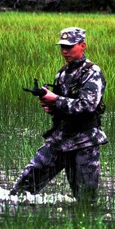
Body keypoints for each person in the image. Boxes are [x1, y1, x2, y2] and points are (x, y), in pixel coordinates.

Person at [11, 27, 108, 202]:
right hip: (60, 139)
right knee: (22, 190)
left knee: (86, 200)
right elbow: (63, 106)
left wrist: (55, 100)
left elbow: (87, 106)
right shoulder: (62, 73)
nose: (65, 51)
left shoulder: (93, 73)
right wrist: (50, 105)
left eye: (69, 47)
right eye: (62, 47)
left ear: (82, 46)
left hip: (84, 142)